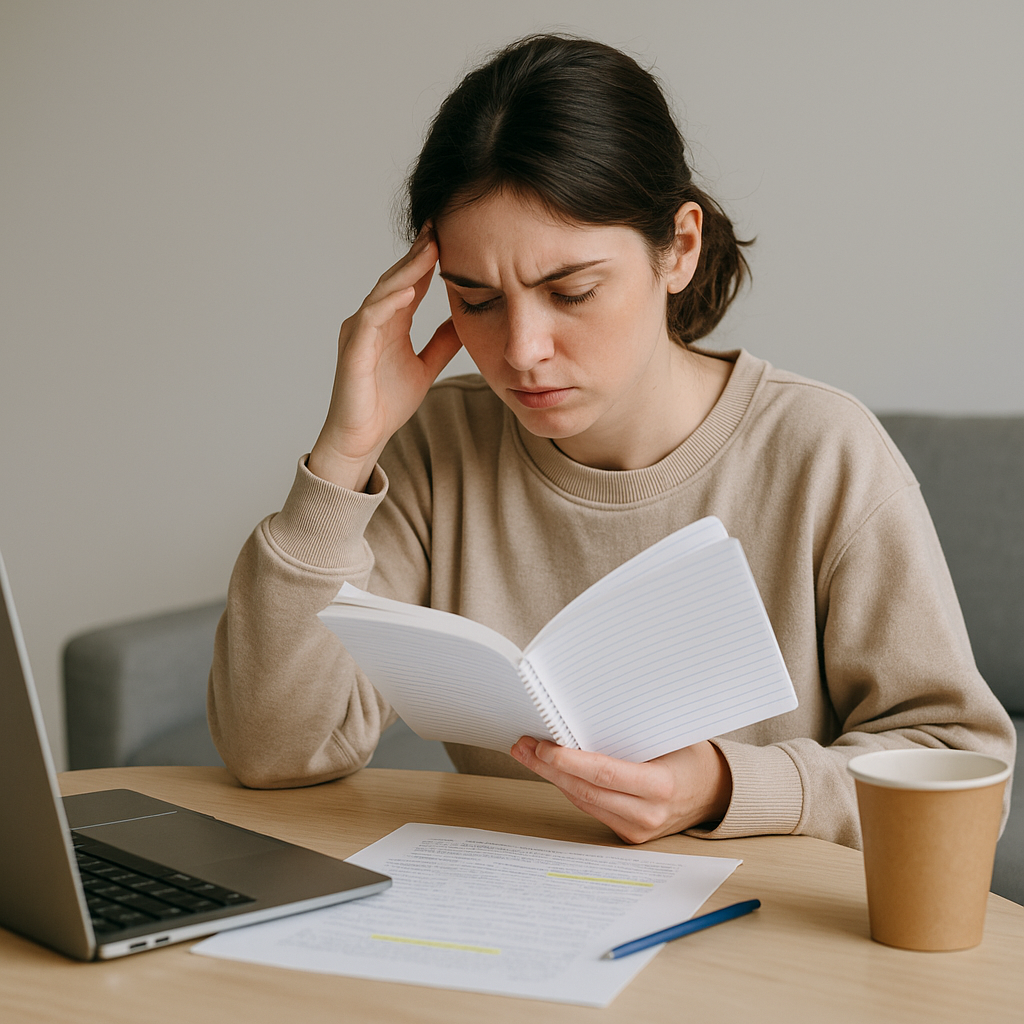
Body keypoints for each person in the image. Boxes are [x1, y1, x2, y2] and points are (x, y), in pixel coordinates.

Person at [208, 34, 1014, 850]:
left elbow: (960, 759)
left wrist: (724, 787)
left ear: (680, 248)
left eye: (572, 291)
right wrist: (343, 456)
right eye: (477, 300)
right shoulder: (434, 448)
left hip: (766, 916)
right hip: (506, 906)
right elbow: (275, 753)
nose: (522, 350)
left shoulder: (822, 453)